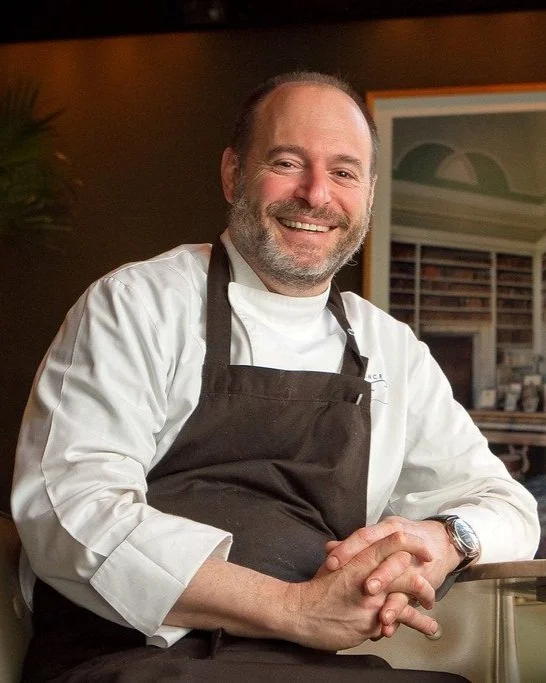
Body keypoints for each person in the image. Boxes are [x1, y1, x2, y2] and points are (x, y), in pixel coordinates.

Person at [11, 71, 540, 682]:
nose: (316, 194)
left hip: (307, 666)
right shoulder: (137, 304)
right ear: (233, 173)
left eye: (344, 173)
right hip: (131, 658)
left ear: (368, 193)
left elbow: (508, 507)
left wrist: (442, 540)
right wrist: (294, 609)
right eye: (288, 163)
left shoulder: (389, 347)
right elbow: (68, 509)